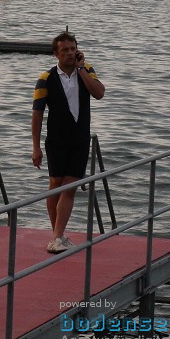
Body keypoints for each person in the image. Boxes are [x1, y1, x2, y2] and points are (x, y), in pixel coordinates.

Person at [31, 31, 105, 253]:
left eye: (73, 49)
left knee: (69, 187)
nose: (70, 53)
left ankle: (57, 237)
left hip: (79, 138)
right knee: (56, 185)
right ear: (56, 54)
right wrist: (35, 147)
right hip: (56, 139)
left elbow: (99, 93)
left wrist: (82, 69)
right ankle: (58, 236)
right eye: (65, 50)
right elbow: (37, 114)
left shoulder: (86, 70)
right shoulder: (46, 78)